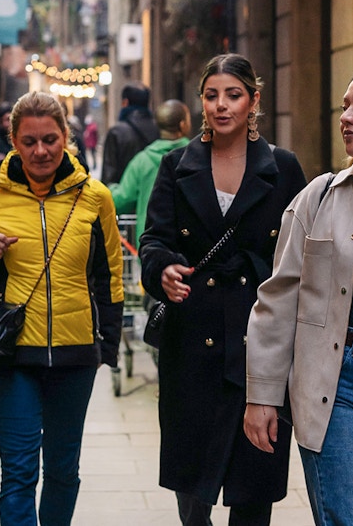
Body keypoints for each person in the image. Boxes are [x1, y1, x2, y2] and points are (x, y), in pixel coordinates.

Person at [244, 60, 353, 526]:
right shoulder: (317, 198)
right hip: (342, 386)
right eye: (345, 107)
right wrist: (261, 394)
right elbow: (277, 300)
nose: (347, 117)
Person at [139, 53, 306, 525]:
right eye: (211, 95)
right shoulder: (177, 166)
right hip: (193, 343)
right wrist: (164, 270)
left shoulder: (284, 168)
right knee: (193, 494)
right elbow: (154, 239)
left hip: (261, 348)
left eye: (233, 95)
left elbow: (304, 253)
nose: (221, 105)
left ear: (253, 101)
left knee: (253, 491)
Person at [0, 91, 124, 526]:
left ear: (66, 137)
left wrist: (107, 348)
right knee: (18, 472)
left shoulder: (95, 197)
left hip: (75, 353)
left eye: (50, 139)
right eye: (29, 141)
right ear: (13, 140)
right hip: (12, 355)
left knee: (64, 472)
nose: (40, 151)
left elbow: (109, 278)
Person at [110, 99, 192, 251]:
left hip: (153, 248)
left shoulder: (142, 161)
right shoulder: (197, 156)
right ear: (183, 125)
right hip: (192, 248)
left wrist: (111, 189)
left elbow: (121, 200)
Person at [101, 81, 159, 185]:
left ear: (125, 102)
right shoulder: (159, 128)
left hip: (123, 197)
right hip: (153, 196)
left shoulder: (116, 132)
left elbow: (108, 176)